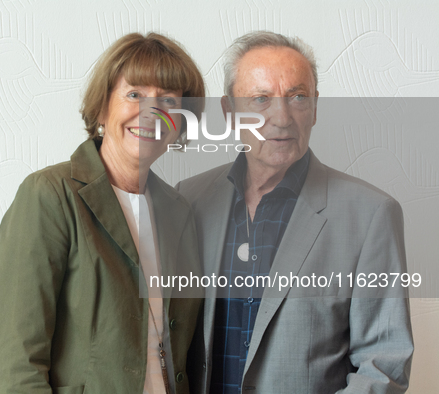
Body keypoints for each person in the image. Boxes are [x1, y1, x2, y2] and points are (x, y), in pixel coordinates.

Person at [177, 31, 414, 393]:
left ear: (315, 107)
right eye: (260, 99)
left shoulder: (370, 215)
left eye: (298, 97)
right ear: (229, 112)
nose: (282, 117)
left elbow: (384, 365)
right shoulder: (189, 201)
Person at [0, 32, 205, 393]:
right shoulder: (50, 195)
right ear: (104, 104)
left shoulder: (179, 210)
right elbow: (20, 366)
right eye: (135, 94)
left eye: (168, 100)